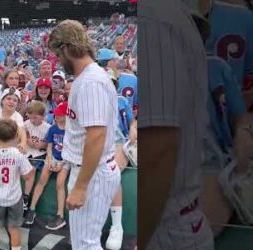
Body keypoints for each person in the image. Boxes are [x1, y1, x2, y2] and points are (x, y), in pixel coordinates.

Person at [138, 0, 214, 249]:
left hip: (164, 231)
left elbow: (159, 150)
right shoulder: (162, 13)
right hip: (177, 221)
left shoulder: (152, 16)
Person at [48, 19, 121, 249]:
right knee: (84, 243)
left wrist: (80, 186)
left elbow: (96, 136)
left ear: (67, 48)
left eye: (59, 55)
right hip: (91, 171)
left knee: (86, 245)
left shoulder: (90, 81)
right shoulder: (88, 78)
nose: (59, 61)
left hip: (93, 174)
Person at [0, 119, 33, 250]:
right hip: (15, 197)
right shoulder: (19, 154)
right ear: (15, 136)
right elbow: (28, 176)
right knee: (14, 229)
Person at [24, 101, 69, 231]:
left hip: (65, 161)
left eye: (60, 115)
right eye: (56, 115)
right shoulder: (53, 128)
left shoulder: (71, 131)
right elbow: (49, 146)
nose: (57, 117)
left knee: (60, 184)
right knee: (41, 181)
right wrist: (49, 159)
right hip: (52, 158)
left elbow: (71, 150)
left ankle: (60, 215)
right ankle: (32, 209)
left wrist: (60, 164)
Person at [22, 101, 51, 213]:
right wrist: (28, 141)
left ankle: (26, 197)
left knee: (32, 170)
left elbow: (49, 143)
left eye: (35, 117)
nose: (32, 120)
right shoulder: (27, 123)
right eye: (30, 117)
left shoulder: (47, 127)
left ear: (43, 116)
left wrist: (42, 144)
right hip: (28, 152)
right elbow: (23, 135)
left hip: (39, 153)